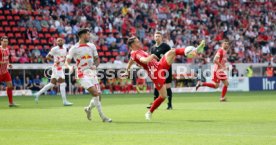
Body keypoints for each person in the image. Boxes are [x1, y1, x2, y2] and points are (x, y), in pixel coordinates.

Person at [122, 36, 205, 120]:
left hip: (159, 65)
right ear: (132, 45)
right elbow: (144, 60)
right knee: (163, 96)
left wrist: (127, 71)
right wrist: (153, 55)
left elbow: (130, 61)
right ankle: (149, 112)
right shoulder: (136, 53)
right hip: (156, 73)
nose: (139, 43)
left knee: (172, 51)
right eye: (137, 42)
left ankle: (196, 50)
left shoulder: (135, 52)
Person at [65, 28, 112, 122]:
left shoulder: (92, 46)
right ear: (82, 35)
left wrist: (95, 65)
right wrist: (70, 67)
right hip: (81, 73)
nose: (89, 36)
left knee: (98, 96)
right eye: (87, 34)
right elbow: (67, 62)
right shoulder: (74, 48)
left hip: (92, 73)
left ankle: (88, 109)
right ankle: (103, 117)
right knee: (95, 93)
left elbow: (97, 59)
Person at [34, 38, 73, 106]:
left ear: (63, 41)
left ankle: (38, 94)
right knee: (62, 83)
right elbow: (47, 57)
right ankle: (64, 101)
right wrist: (54, 60)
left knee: (51, 84)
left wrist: (65, 62)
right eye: (58, 41)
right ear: (56, 42)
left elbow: (64, 58)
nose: (60, 41)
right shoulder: (54, 49)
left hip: (60, 67)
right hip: (57, 67)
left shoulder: (65, 49)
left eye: (61, 40)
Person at [148, 31, 173, 110]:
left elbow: (170, 56)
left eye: (158, 36)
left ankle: (169, 104)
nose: (157, 38)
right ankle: (155, 103)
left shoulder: (166, 47)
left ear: (161, 37)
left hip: (166, 69)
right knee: (156, 86)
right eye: (156, 36)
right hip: (157, 70)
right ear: (154, 37)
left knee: (167, 86)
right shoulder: (152, 48)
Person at [0, 36, 18, 107]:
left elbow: (7, 59)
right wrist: (4, 63)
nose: (5, 43)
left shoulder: (7, 49)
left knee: (10, 85)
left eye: (6, 41)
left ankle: (10, 103)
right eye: (4, 41)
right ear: (1, 42)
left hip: (5, 71)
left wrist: (8, 64)